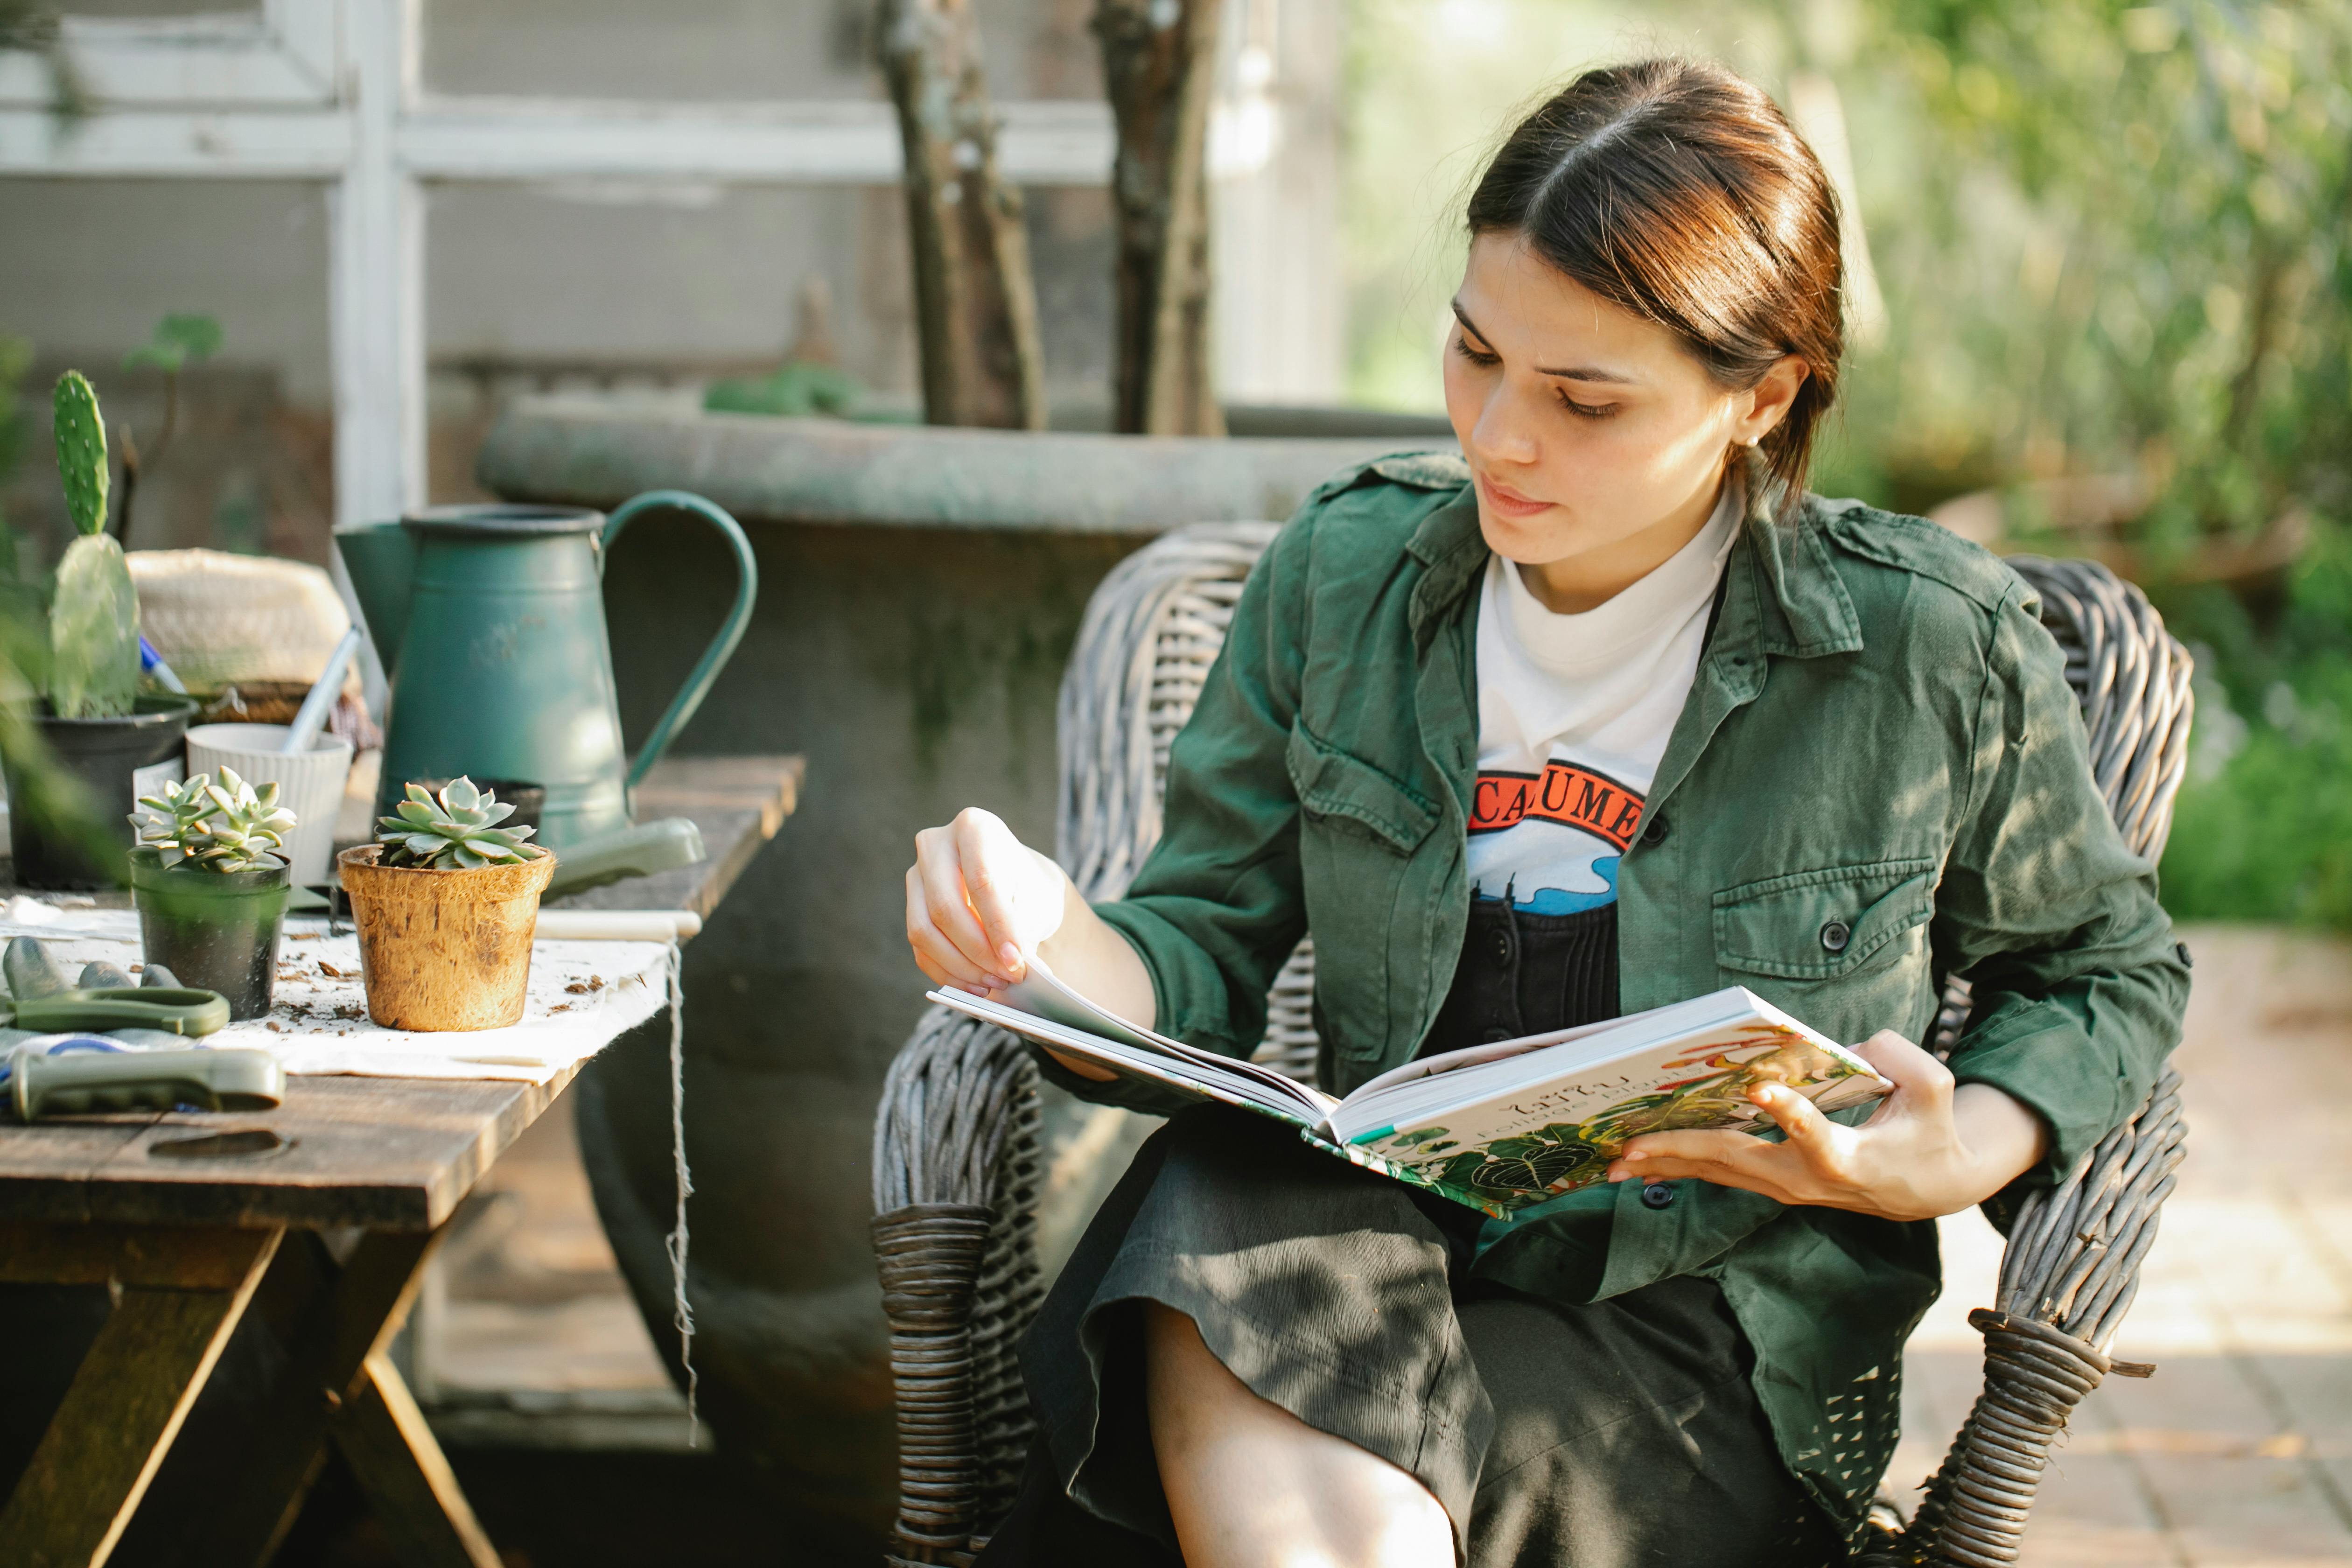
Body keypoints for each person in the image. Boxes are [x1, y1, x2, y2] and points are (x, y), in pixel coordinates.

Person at [903, 56, 2188, 1568]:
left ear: (1762, 399)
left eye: (1585, 399)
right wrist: (1039, 940)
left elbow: (2110, 971)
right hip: (1375, 1264)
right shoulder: (1349, 575)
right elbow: (1194, 944)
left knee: (1172, 1468)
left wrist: (1958, 1149)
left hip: (1705, 1350)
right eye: (1472, 355)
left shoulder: (1925, 649)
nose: (1502, 438)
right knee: (1222, 1192)